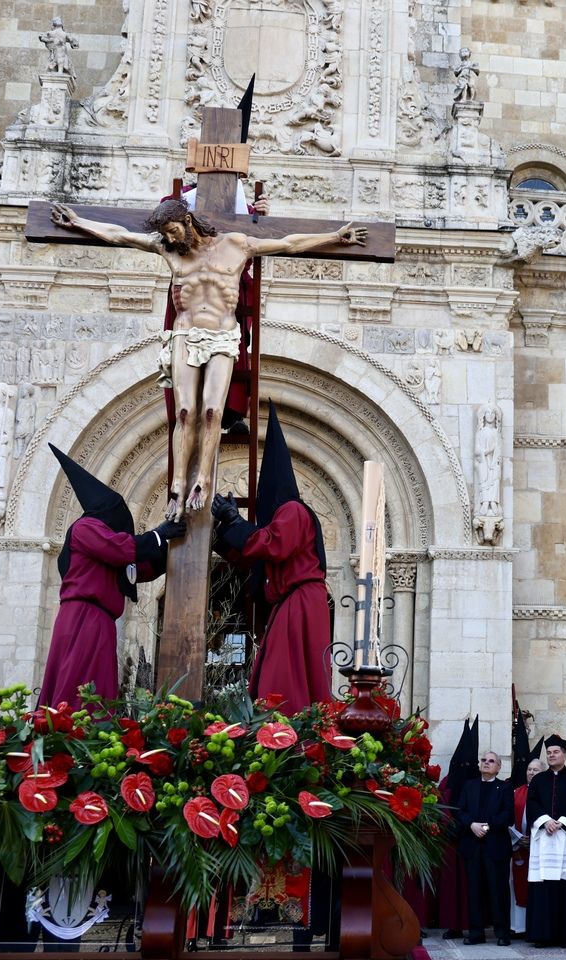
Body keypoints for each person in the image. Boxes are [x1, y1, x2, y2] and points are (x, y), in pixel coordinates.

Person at [50, 201, 366, 517]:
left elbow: (289, 243)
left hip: (223, 335)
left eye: (173, 231)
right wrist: (79, 223)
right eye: (166, 234)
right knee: (185, 412)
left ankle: (202, 479)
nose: (171, 239)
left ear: (187, 220)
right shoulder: (167, 248)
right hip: (185, 333)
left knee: (213, 410)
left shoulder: (236, 244)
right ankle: (176, 485)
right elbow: (119, 235)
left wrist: (336, 236)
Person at [211, 403, 331, 714]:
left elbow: (272, 544)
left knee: (285, 681)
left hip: (300, 603)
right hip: (293, 604)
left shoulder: (292, 510)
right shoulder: (285, 516)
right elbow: (254, 559)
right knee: (285, 675)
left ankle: (286, 733)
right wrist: (222, 531)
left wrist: (236, 522)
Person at [41, 445, 182, 707]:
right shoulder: (86, 528)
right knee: (77, 691)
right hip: (83, 620)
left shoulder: (106, 554)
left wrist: (170, 548)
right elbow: (121, 549)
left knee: (99, 692)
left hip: (99, 623)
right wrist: (158, 535)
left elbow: (139, 571)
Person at [525, 735, 566, 947]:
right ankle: (543, 936)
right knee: (544, 888)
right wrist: (545, 821)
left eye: (556, 752)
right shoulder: (538, 780)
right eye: (549, 753)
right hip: (545, 839)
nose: (552, 755)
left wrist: (562, 822)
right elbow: (532, 803)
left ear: (564, 754)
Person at [455, 750, 514, 946]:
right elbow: (460, 811)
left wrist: (486, 826)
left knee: (498, 891)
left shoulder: (504, 788)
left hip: (495, 847)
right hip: (472, 846)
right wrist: (471, 824)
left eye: (491, 761)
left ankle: (502, 932)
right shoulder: (469, 786)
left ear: (499, 767)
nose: (486, 763)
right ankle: (476, 932)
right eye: (483, 760)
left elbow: (508, 815)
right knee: (475, 891)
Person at [510, 757, 541, 936]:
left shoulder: (545, 792)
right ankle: (519, 926)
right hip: (519, 847)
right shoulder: (516, 792)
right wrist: (518, 838)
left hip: (538, 847)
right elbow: (508, 818)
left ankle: (535, 926)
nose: (531, 773)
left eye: (535, 770)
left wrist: (534, 839)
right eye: (529, 769)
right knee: (517, 883)